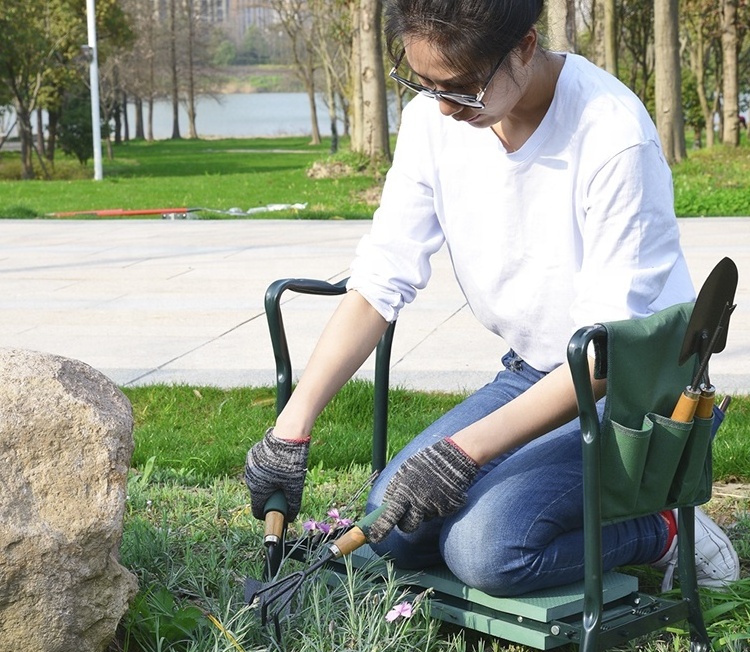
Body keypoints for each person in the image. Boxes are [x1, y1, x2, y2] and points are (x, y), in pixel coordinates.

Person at [245, 0, 740, 595]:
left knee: (486, 550)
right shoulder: (436, 119)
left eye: (463, 88)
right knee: (392, 524)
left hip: (636, 393)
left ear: (525, 47)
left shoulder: (612, 134)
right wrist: (290, 428)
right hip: (534, 373)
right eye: (424, 84)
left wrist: (462, 454)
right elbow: (380, 277)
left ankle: (662, 530)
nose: (445, 107)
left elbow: (604, 358)